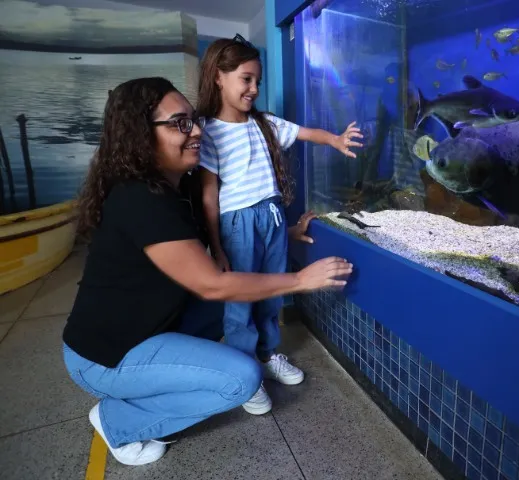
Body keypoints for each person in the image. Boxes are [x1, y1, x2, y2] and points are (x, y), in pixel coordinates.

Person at [61, 77, 353, 467]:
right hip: (105, 356)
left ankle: (151, 388)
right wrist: (301, 280)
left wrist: (287, 231)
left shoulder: (174, 189)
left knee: (233, 310)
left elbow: (227, 252)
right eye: (180, 123)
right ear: (139, 135)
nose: (197, 130)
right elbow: (211, 283)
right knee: (241, 379)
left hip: (145, 327)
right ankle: (119, 421)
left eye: (194, 119)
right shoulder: (140, 200)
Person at [195, 34, 363, 411]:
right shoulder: (207, 131)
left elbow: (305, 133)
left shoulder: (265, 123)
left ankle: (267, 356)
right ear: (218, 77)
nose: (255, 88)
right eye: (246, 78)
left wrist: (335, 139)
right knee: (240, 299)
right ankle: (244, 373)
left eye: (258, 80)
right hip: (236, 223)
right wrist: (217, 246)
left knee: (271, 292)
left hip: (271, 217)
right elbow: (208, 194)